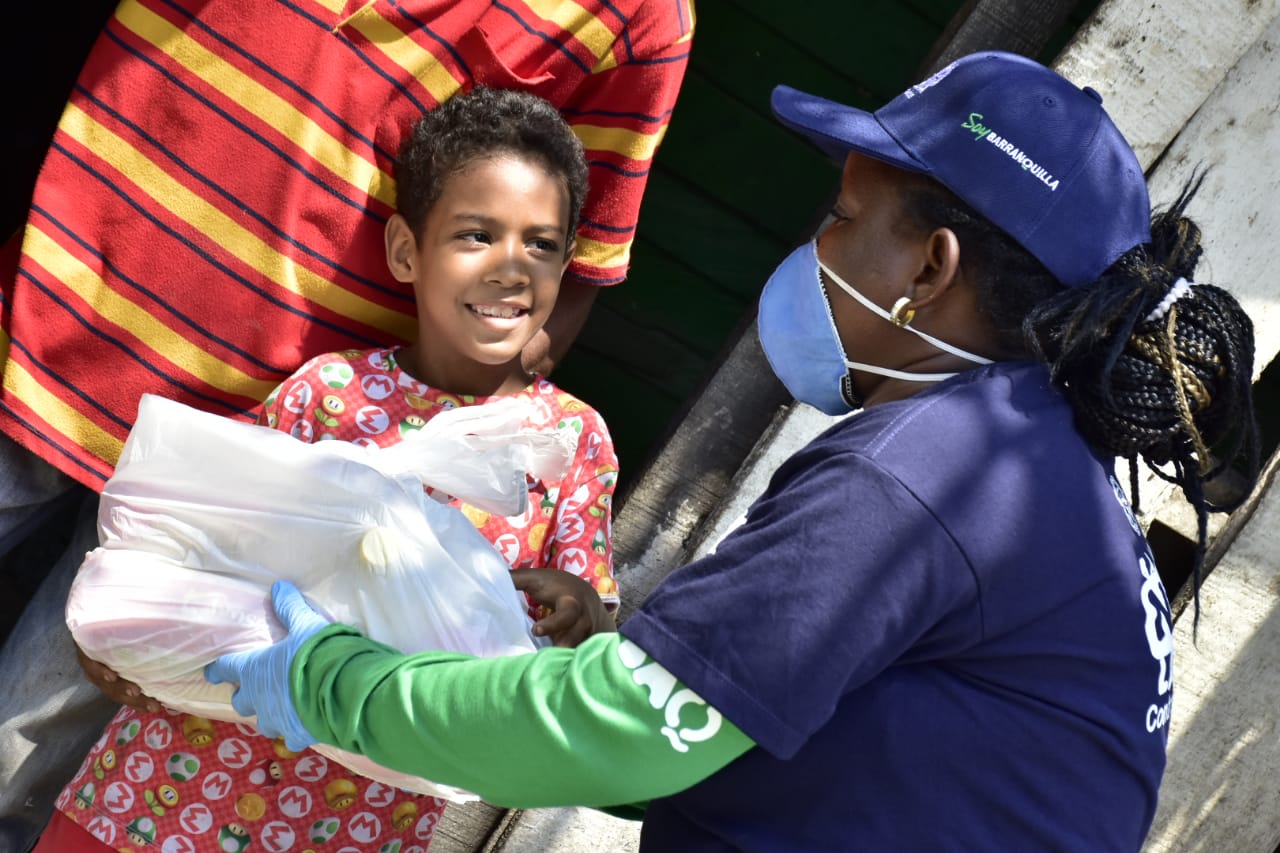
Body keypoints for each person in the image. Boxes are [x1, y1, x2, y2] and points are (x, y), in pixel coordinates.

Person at [203, 50, 1261, 850]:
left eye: (845, 216)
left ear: (928, 267)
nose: (817, 246)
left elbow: (625, 729)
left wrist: (336, 681)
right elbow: (723, 735)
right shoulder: (1023, 464)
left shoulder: (937, 469)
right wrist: (581, 657)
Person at [0, 0, 693, 845]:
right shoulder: (329, 396)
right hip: (57, 313)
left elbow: (580, 615)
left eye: (537, 246)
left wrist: (572, 603)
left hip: (329, 782)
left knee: (17, 750)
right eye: (477, 234)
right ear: (408, 248)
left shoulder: (553, 443)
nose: (512, 268)